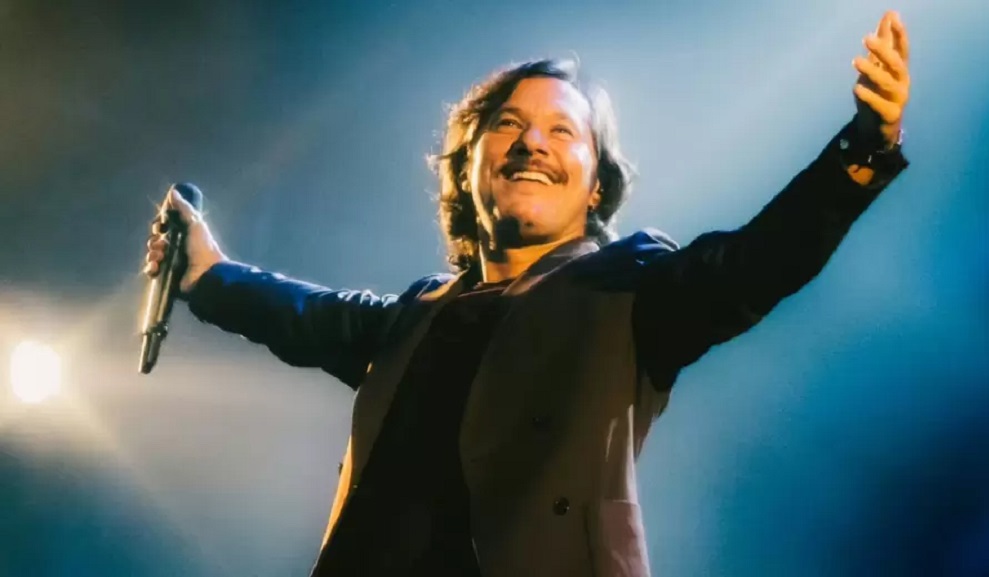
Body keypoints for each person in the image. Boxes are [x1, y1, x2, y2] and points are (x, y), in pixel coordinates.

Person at [144, 11, 911, 577]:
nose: (532, 142)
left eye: (562, 131)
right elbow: (302, 315)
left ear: (596, 185)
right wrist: (205, 273)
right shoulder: (417, 314)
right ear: (469, 169)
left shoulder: (628, 289)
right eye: (508, 125)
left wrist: (862, 149)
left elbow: (751, 264)